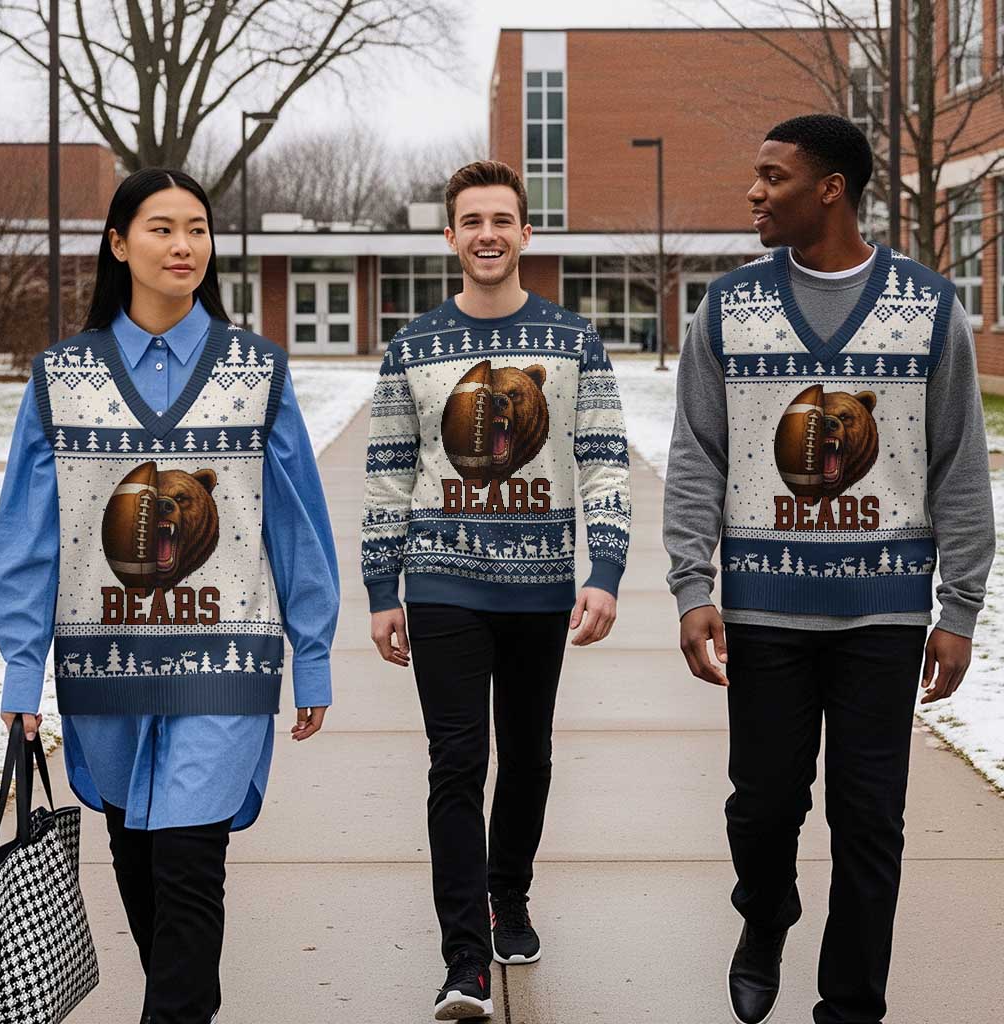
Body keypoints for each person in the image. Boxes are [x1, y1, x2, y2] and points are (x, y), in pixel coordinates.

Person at [664, 113, 995, 1024]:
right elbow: (698, 452)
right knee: (762, 810)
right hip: (765, 611)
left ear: (831, 189)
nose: (754, 192)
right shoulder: (729, 306)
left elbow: (959, 463)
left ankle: (851, 1005)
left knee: (869, 824)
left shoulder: (927, 308)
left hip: (884, 618)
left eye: (773, 176)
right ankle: (764, 914)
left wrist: (960, 607)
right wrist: (694, 585)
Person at [0, 167, 339, 1024]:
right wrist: (23, 675)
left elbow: (296, 524)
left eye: (197, 229)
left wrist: (315, 654)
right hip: (102, 665)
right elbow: (27, 540)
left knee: (190, 865)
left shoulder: (257, 372)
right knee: (139, 863)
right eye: (161, 228)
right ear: (118, 244)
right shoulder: (61, 378)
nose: (183, 246)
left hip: (226, 660)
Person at [361, 160, 632, 1021]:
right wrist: (381, 587)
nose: (487, 234)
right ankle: (464, 961)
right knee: (457, 761)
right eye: (471, 220)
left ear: (525, 233)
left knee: (529, 754)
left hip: (541, 586)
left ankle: (507, 895)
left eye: (502, 220)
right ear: (450, 236)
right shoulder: (412, 348)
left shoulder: (573, 341)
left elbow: (603, 462)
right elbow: (387, 478)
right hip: (442, 582)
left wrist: (607, 570)